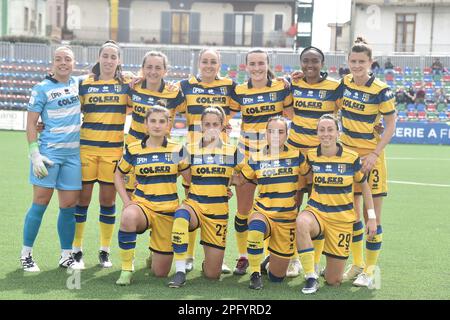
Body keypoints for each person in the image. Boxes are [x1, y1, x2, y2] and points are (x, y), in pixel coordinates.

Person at [296, 114, 377, 294]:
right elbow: (303, 181)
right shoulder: (311, 156)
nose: (326, 134)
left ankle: (330, 268)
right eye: (322, 130)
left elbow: (365, 188)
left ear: (338, 133)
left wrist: (371, 218)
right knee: (301, 222)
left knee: (334, 280)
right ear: (317, 133)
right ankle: (310, 275)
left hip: (341, 220)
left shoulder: (351, 157)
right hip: (316, 212)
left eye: (330, 129)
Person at [229, 48, 293, 276]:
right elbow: (223, 115)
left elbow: (292, 116)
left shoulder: (280, 87)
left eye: (261, 63)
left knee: (272, 210)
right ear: (246, 67)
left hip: (274, 159)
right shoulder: (238, 91)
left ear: (268, 65)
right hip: (247, 156)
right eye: (252, 64)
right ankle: (243, 255)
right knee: (243, 210)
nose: (256, 68)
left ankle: (267, 255)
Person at [339, 37, 396, 287]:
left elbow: (391, 125)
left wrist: (374, 154)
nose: (357, 65)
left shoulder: (381, 90)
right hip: (348, 159)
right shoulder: (344, 83)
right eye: (353, 61)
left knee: (371, 214)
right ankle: (358, 264)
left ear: (370, 62)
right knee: (352, 216)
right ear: (348, 62)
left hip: (370, 161)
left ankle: (371, 269)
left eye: (362, 61)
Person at [20, 46, 82, 271]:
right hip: (48, 155)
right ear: (52, 63)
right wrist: (35, 154)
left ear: (73, 63)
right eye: (58, 59)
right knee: (41, 202)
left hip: (73, 156)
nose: (63, 63)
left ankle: (66, 255)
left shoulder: (79, 84)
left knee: (68, 205)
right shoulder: (41, 88)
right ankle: (26, 254)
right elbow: (30, 123)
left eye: (67, 59)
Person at [168, 107, 244, 288]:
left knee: (212, 275)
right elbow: (172, 173)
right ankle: (179, 271)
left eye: (215, 124)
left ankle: (207, 264)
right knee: (181, 215)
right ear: (201, 126)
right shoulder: (188, 150)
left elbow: (245, 177)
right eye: (207, 124)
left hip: (218, 213)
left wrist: (228, 182)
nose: (211, 128)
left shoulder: (233, 152)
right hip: (194, 205)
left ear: (222, 126)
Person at [176, 48, 237, 274]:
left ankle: (214, 255)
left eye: (213, 61)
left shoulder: (230, 86)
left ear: (219, 64)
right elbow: (165, 99)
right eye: (205, 61)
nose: (209, 65)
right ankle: (189, 256)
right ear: (199, 63)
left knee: (218, 204)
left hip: (221, 159)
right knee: (190, 202)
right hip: (194, 157)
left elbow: (252, 95)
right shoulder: (185, 86)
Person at [114, 106, 190, 285]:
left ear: (168, 125)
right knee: (128, 216)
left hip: (168, 210)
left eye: (162, 121)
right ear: (146, 125)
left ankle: (154, 253)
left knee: (160, 273)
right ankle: (126, 268)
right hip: (143, 206)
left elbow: (190, 180)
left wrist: (190, 202)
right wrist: (127, 202)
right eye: (153, 121)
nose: (157, 125)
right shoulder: (133, 148)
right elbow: (118, 174)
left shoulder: (178, 149)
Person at [72, 40, 130, 269]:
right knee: (82, 200)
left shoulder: (126, 85)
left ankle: (104, 251)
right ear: (99, 58)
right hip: (86, 149)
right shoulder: (83, 84)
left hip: (112, 151)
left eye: (113, 57)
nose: (108, 60)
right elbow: (67, 110)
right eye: (105, 56)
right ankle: (76, 250)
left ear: (118, 61)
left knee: (107, 201)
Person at [284, 46, 341, 277]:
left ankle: (314, 261)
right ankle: (293, 258)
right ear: (300, 63)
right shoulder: (293, 84)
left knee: (318, 208)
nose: (310, 65)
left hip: (321, 156)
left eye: (315, 61)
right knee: (292, 206)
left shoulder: (334, 87)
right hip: (296, 154)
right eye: (305, 60)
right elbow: (285, 105)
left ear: (322, 63)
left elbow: (346, 111)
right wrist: (285, 79)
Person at [233, 116, 303, 290]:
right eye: (271, 131)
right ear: (265, 134)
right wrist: (221, 180)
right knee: (255, 227)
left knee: (277, 277)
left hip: (286, 219)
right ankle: (255, 273)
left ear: (287, 134)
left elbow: (309, 180)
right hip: (263, 212)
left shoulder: (297, 156)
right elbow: (241, 180)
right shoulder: (256, 157)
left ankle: (266, 263)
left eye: (280, 132)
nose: (275, 135)